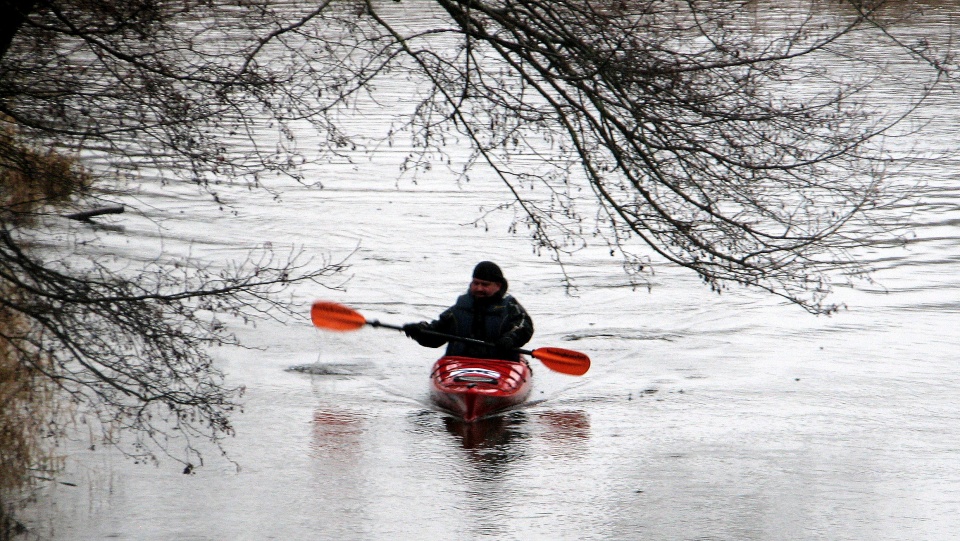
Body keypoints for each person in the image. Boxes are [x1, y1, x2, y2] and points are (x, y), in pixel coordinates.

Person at [402, 261, 534, 361]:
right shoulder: (459, 309)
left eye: (485, 284)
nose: (479, 288)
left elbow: (524, 327)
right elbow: (436, 337)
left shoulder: (510, 307)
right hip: (460, 363)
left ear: (498, 286)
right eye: (475, 283)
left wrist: (510, 339)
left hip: (500, 364)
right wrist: (419, 331)